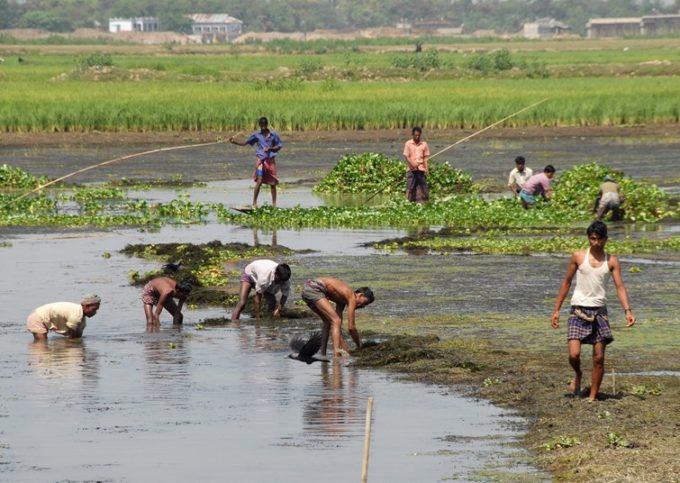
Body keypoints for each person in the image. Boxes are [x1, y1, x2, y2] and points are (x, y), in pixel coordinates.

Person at [551, 221, 636, 402]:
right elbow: (566, 282)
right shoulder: (578, 257)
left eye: (598, 239)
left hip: (599, 312)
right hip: (578, 310)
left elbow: (620, 287)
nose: (595, 242)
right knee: (574, 354)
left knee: (599, 357)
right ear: (589, 238)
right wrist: (556, 310)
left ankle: (592, 397)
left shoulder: (611, 261)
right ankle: (579, 374)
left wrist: (627, 310)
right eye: (592, 238)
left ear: (605, 239)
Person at [301, 277, 375, 359]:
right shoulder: (352, 297)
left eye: (365, 306)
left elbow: (337, 329)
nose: (362, 306)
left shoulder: (341, 301)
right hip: (314, 288)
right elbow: (351, 328)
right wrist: (360, 346)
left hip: (307, 290)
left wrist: (345, 349)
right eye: (364, 303)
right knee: (336, 320)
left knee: (328, 322)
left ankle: (323, 355)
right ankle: (336, 355)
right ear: (360, 295)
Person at [229, 117, 282, 208]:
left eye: (264, 126)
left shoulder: (274, 135)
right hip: (260, 161)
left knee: (272, 183)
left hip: (270, 161)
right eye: (261, 126)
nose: (263, 127)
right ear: (260, 125)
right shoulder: (257, 135)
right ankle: (254, 203)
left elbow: (279, 146)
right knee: (259, 181)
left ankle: (274, 205)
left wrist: (270, 148)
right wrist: (234, 142)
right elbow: (245, 143)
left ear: (267, 125)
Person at [26, 294, 101, 341]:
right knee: (41, 344)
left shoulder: (81, 318)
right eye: (93, 309)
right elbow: (72, 337)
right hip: (37, 318)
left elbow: (78, 336)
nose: (95, 313)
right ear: (86, 306)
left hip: (39, 315)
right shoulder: (76, 315)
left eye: (97, 310)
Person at [403, 126, 430, 203]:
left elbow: (425, 158)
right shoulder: (408, 144)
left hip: (421, 169)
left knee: (423, 186)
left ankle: (423, 202)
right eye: (416, 135)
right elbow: (406, 156)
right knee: (410, 187)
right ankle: (408, 202)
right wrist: (412, 164)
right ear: (412, 135)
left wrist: (427, 169)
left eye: (418, 135)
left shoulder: (424, 144)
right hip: (411, 169)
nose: (417, 137)